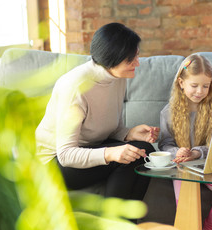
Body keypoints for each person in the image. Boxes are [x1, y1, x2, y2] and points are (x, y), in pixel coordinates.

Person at [35, 22, 160, 202]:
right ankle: (115, 224)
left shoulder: (117, 76)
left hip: (86, 148)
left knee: (143, 150)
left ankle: (126, 224)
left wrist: (129, 134)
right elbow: (66, 155)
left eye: (137, 56)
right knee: (131, 157)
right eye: (130, 60)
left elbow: (103, 128)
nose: (137, 63)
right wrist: (110, 154)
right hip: (54, 163)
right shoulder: (75, 87)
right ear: (112, 59)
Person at [159, 54, 212, 230]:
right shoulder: (168, 112)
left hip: (207, 163)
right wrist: (177, 151)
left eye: (205, 86)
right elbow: (164, 144)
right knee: (186, 200)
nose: (200, 91)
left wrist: (196, 152)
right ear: (181, 83)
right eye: (194, 86)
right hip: (182, 166)